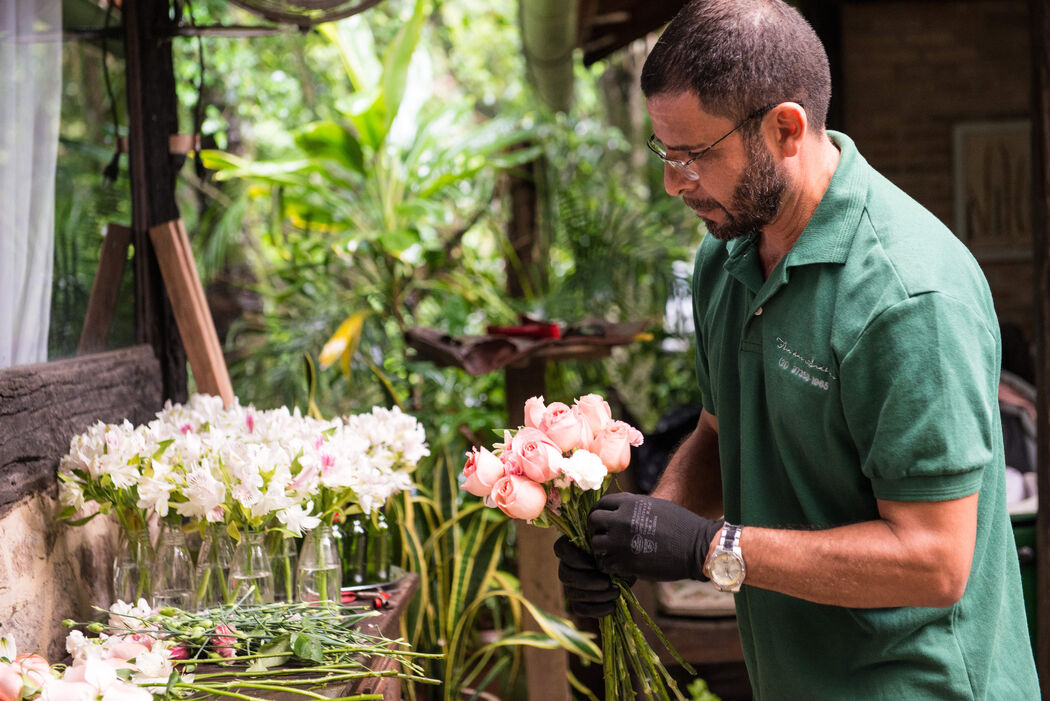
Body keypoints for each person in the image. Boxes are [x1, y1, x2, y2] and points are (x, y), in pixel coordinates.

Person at [553, 0, 1041, 698]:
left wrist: (708, 548)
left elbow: (934, 560)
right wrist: (643, 536)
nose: (672, 183)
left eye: (694, 155)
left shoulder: (908, 296)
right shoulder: (726, 257)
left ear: (785, 128)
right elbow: (723, 434)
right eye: (666, 152)